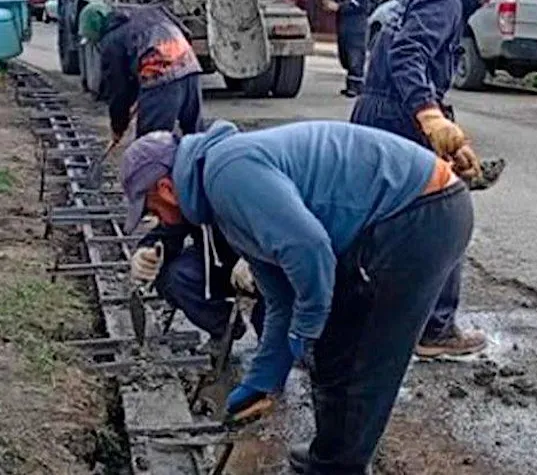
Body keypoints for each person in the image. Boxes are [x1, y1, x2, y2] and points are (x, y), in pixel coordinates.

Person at [119, 120, 474, 475]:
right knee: (335, 348)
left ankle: (338, 465)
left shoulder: (226, 172)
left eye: (152, 210)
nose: (158, 220)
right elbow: (281, 300)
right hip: (406, 211)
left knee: (361, 353)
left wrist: (309, 325)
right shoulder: (218, 193)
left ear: (166, 189)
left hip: (419, 213)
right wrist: (263, 378)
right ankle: (333, 455)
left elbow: (310, 248)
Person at [350, 0, 523, 359]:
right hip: (399, 114)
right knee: (445, 219)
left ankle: (356, 316)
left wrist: (443, 123)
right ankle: (435, 328)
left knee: (377, 221)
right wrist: (428, 115)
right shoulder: (444, 1)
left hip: (382, 109)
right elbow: (409, 54)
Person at [78, 1, 203, 140]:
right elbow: (185, 32)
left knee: (150, 145)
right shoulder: (149, 11)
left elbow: (118, 90)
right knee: (196, 138)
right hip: (189, 66)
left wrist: (118, 127)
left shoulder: (111, 41)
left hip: (160, 78)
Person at [129, 221, 264, 348]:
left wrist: (253, 257)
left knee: (273, 333)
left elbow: (280, 223)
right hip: (215, 260)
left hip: (268, 264)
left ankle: (272, 351)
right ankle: (226, 327)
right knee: (176, 277)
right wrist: (147, 251)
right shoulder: (192, 199)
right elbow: (170, 227)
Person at [322, 0, 373, 98]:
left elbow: (359, 3)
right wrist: (328, 2)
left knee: (355, 55)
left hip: (357, 24)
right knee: (344, 55)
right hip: (343, 24)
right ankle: (350, 85)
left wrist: (339, 7)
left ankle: (356, 87)